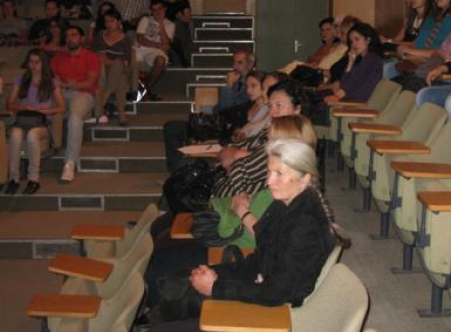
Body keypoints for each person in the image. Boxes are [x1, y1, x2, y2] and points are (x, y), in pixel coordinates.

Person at [147, 137, 345, 328]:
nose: (269, 181)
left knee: (171, 315)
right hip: (262, 285)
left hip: (276, 309)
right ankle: (154, 314)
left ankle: (155, 318)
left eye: (279, 173)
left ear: (305, 179)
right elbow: (259, 260)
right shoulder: (285, 203)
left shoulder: (306, 227)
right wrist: (216, 274)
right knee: (180, 281)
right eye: (269, 172)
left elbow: (277, 293)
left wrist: (215, 287)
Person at [4, 49, 65, 195]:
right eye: (31, 62)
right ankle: (13, 179)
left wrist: (42, 111)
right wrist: (22, 107)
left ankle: (33, 179)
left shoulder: (51, 81)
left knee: (32, 135)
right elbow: (9, 104)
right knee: (15, 135)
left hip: (42, 123)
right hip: (23, 120)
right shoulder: (20, 80)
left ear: (43, 63)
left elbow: (61, 107)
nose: (33, 65)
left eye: (37, 62)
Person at [51, 26, 101, 183]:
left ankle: (70, 162)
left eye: (73, 35)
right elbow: (54, 79)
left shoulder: (91, 57)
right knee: (42, 105)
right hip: (62, 93)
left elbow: (89, 83)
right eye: (67, 36)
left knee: (74, 118)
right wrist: (65, 85)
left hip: (84, 94)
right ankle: (47, 146)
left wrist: (67, 84)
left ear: (82, 38)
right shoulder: (58, 57)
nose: (69, 38)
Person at [393, 0, 451, 69]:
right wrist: (403, 49)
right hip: (417, 58)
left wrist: (408, 51)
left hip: (432, 63)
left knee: (389, 69)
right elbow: (417, 43)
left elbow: (439, 52)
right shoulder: (431, 17)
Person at [322, 22, 383, 105]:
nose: (354, 44)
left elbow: (353, 82)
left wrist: (336, 97)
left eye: (357, 39)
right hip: (348, 99)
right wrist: (350, 63)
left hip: (357, 102)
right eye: (351, 41)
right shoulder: (362, 59)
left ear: (368, 40)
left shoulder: (372, 59)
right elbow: (343, 83)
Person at [91, 9, 132, 125]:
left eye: (112, 21)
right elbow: (91, 55)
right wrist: (102, 58)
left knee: (119, 65)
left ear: (118, 22)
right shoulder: (100, 36)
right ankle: (121, 112)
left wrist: (109, 61)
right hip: (101, 70)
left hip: (119, 68)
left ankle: (104, 99)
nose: (109, 24)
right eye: (106, 21)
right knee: (121, 77)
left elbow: (126, 62)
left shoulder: (125, 39)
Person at [135, 0, 175, 100]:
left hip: (155, 51)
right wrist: (159, 45)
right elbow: (140, 39)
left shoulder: (170, 24)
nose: (157, 12)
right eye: (154, 10)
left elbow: (166, 44)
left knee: (161, 60)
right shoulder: (145, 20)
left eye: (159, 9)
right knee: (127, 58)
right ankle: (141, 92)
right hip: (140, 48)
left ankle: (144, 91)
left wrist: (161, 24)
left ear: (164, 9)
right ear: (151, 11)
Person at [156, 0, 192, 67]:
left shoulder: (182, 0)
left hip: (179, 28)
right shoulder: (161, 0)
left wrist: (180, 17)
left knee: (177, 25)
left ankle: (176, 56)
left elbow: (188, 19)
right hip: (164, 27)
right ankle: (180, 58)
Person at [231, 70, 270, 142]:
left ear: (264, 86)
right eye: (247, 86)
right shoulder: (246, 107)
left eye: (253, 86)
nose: (248, 90)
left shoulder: (271, 110)